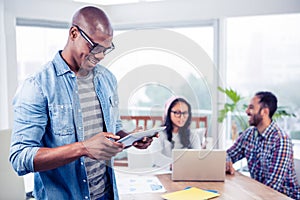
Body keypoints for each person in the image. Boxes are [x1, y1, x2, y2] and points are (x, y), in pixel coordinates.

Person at [9, 6, 154, 200]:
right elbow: (20, 157)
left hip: (106, 194)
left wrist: (129, 138)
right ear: (74, 33)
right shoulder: (37, 85)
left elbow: (114, 129)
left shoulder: (107, 79)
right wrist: (83, 148)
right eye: (95, 47)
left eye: (106, 49)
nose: (101, 56)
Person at [226, 91, 300, 199]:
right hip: (258, 194)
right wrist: (227, 162)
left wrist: (244, 190)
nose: (247, 111)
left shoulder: (281, 141)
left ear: (264, 112)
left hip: (283, 197)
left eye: (251, 107)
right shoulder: (249, 134)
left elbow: (271, 187)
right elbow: (228, 154)